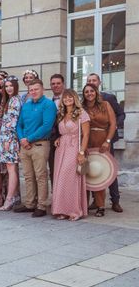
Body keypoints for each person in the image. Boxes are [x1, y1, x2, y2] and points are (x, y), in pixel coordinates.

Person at [15, 79, 57, 217]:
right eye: (31, 90)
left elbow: (46, 126)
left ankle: (41, 206)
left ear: (42, 89)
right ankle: (30, 204)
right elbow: (19, 124)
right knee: (28, 176)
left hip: (40, 144)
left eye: (36, 89)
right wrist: (22, 139)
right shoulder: (26, 106)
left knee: (40, 176)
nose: (33, 92)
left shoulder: (48, 105)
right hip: (25, 146)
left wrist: (29, 139)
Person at [86, 73, 125, 213]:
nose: (92, 83)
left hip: (105, 140)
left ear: (99, 82)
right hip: (89, 141)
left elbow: (121, 115)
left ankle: (115, 201)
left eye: (94, 80)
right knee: (92, 170)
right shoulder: (84, 102)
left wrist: (112, 129)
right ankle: (96, 201)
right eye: (89, 81)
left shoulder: (108, 99)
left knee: (109, 170)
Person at [52, 89, 90, 221]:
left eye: (70, 97)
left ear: (74, 98)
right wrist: (58, 138)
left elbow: (86, 135)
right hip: (61, 148)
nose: (67, 100)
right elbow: (62, 131)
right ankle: (61, 209)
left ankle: (74, 210)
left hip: (74, 148)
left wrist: (81, 152)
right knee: (59, 178)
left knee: (70, 178)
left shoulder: (81, 113)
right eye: (65, 98)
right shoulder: (61, 113)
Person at [82, 83, 116, 217]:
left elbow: (113, 124)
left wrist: (108, 141)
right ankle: (84, 204)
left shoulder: (105, 105)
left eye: (91, 91)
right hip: (86, 141)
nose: (89, 93)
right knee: (85, 173)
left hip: (102, 141)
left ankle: (100, 205)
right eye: (86, 92)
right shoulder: (82, 108)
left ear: (96, 92)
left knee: (99, 173)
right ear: (83, 95)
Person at [0, 76, 23, 211]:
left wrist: (8, 140)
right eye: (6, 86)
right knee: (11, 169)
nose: (8, 88)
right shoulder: (9, 100)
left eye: (10, 85)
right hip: (6, 138)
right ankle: (15, 196)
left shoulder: (15, 100)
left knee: (11, 169)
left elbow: (13, 122)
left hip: (10, 138)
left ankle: (9, 199)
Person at [48, 74, 65, 185]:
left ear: (63, 84)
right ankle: (56, 198)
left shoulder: (70, 100)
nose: (56, 86)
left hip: (66, 138)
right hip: (51, 139)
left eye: (58, 83)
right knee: (53, 168)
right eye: (53, 84)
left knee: (66, 169)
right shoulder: (49, 102)